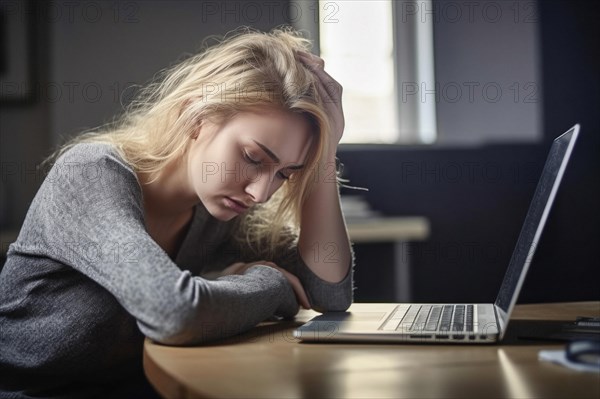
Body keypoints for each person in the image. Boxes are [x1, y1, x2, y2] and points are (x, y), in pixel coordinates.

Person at [0, 26, 354, 398]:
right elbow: (175, 314)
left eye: (285, 173)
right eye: (252, 158)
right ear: (196, 116)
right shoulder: (89, 173)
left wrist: (325, 157)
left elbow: (328, 296)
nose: (261, 193)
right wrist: (273, 286)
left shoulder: (220, 212)